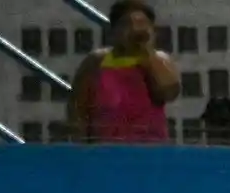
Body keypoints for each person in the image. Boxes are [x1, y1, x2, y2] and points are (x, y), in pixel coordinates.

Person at [66, 0, 180, 143]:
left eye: (142, 23)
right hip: (105, 149)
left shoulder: (159, 60)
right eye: (127, 24)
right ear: (114, 31)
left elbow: (169, 93)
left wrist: (147, 54)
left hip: (150, 150)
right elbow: (78, 108)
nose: (135, 29)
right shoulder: (96, 62)